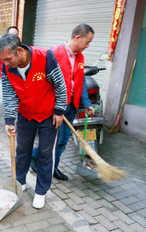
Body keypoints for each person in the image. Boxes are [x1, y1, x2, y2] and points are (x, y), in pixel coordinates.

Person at [0, 34, 67, 209]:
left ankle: (41, 191)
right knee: (22, 149)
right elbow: (10, 94)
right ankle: (20, 181)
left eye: (8, 59)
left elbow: (60, 85)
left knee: (45, 153)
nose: (6, 64)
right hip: (26, 114)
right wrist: (9, 120)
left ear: (19, 50)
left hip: (47, 114)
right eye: (3, 60)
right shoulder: (7, 68)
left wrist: (59, 110)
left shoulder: (46, 57)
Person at [31, 23, 95, 181]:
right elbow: (42, 82)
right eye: (87, 42)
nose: (88, 46)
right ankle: (40, 160)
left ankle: (51, 166)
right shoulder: (53, 53)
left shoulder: (80, 57)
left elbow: (81, 83)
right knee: (52, 140)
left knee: (63, 140)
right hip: (55, 106)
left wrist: (86, 103)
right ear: (77, 37)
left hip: (71, 106)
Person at [0, 26, 19, 127]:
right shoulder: (0, 49)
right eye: (11, 35)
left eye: (16, 35)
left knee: (16, 104)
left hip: (15, 80)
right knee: (0, 101)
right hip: (0, 79)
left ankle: (16, 124)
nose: (13, 37)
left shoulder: (19, 49)